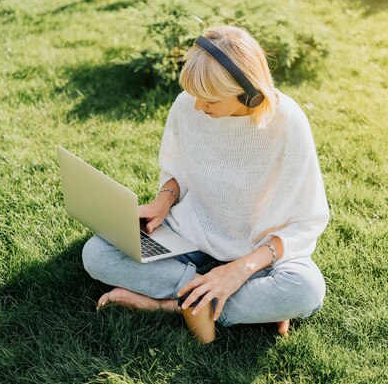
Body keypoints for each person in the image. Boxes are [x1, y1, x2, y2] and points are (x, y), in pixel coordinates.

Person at [82, 25, 329, 340]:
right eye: (194, 95)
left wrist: (240, 269)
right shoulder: (188, 104)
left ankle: (166, 305)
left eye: (209, 100)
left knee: (305, 291)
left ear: (249, 93)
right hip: (189, 236)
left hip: (258, 252)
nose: (197, 106)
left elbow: (305, 221)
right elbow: (178, 169)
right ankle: (220, 300)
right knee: (98, 253)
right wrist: (164, 199)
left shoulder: (288, 123)